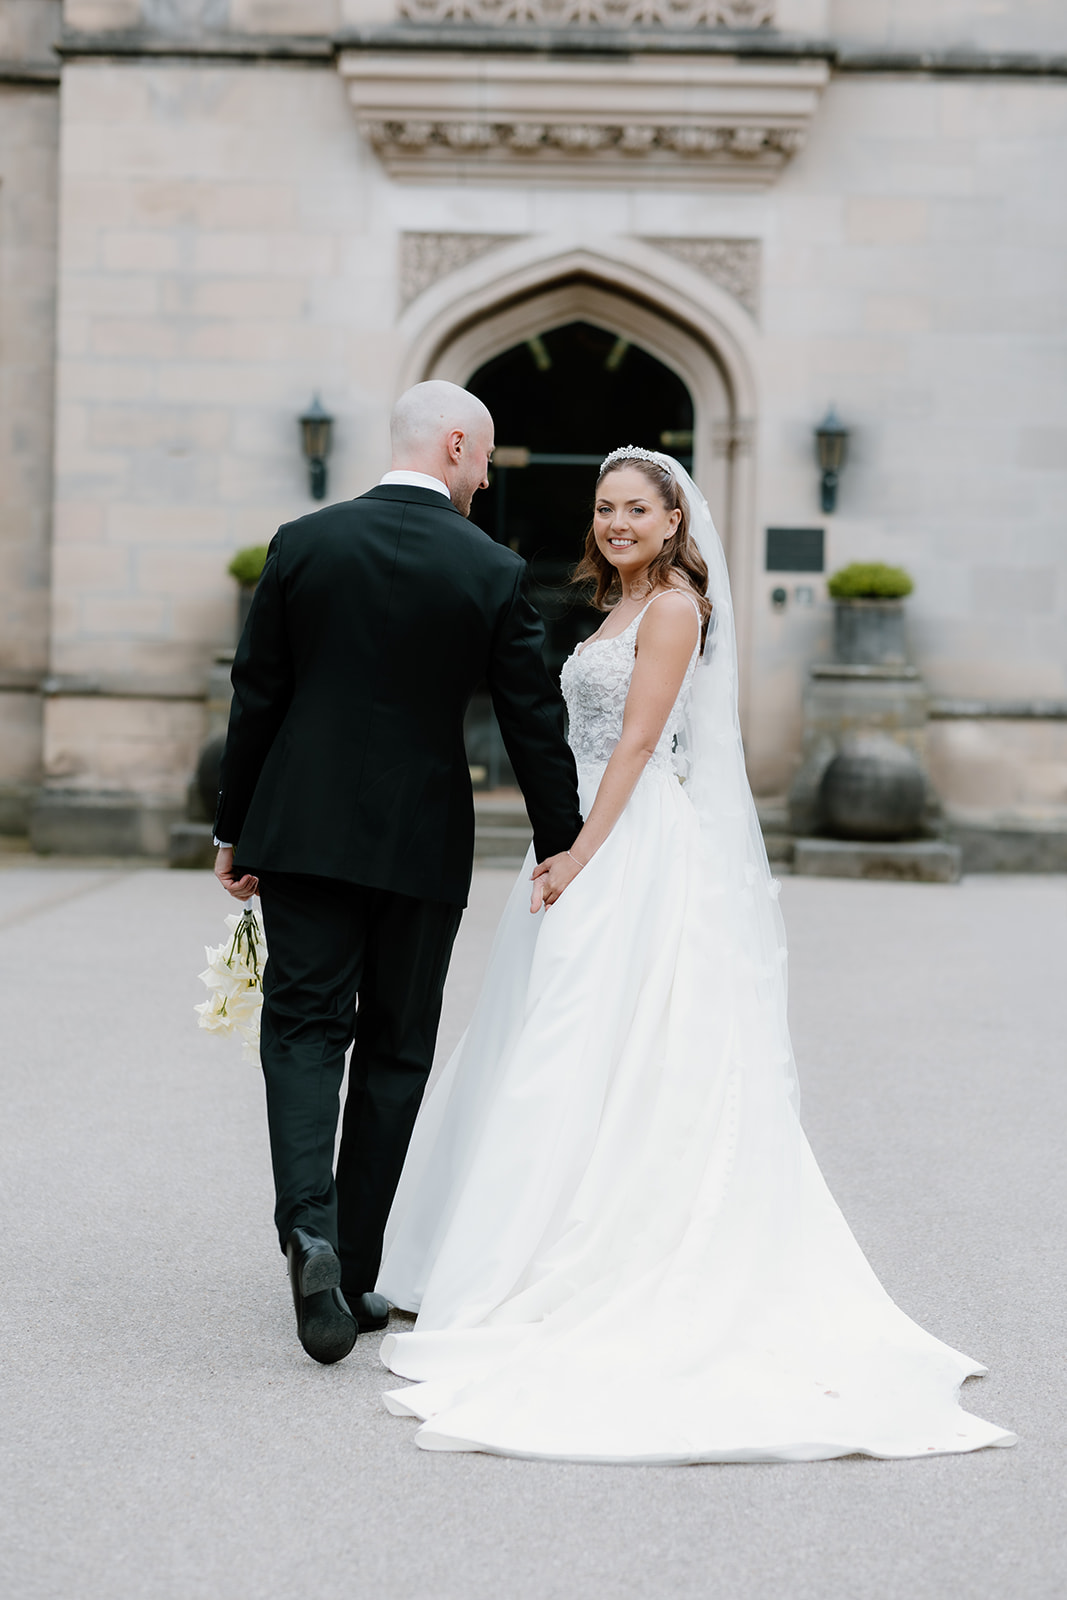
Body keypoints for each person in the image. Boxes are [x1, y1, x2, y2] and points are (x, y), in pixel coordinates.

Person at [376, 447, 1016, 1464]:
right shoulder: (614, 607)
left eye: (636, 508)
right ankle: (519, 1242)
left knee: (593, 1037)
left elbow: (634, 744)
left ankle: (573, 1255)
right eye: (604, 508)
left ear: (676, 521)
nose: (617, 523)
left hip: (626, 842)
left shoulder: (671, 607)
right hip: (583, 831)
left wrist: (579, 851)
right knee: (553, 1037)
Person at [212, 381, 582, 1365]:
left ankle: (311, 1234)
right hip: (420, 840)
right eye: (485, 457)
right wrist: (564, 842)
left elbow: (257, 696)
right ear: (453, 442)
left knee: (300, 1028)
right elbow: (531, 719)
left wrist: (233, 829)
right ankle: (358, 1268)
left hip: (299, 829)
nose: (485, 476)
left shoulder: (301, 542)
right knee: (394, 1047)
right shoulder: (492, 567)